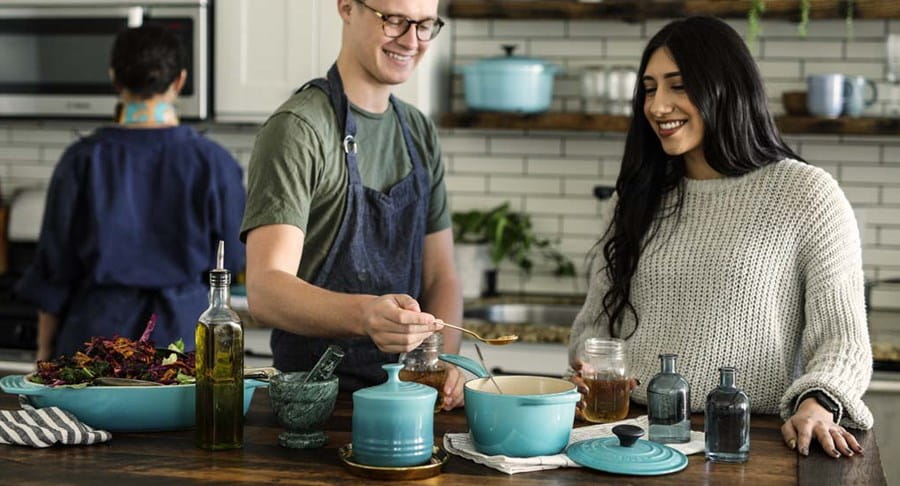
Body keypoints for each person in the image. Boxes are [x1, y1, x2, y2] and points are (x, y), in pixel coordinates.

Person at [567, 16, 872, 459]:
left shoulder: (806, 194)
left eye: (679, 85)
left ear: (726, 88)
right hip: (630, 438)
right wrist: (588, 367)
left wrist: (818, 404)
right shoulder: (637, 198)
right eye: (650, 89)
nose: (657, 106)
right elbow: (594, 326)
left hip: (747, 441)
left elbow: (843, 340)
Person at [240, 0, 464, 409]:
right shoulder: (299, 129)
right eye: (395, 21)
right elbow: (265, 288)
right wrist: (365, 316)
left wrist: (442, 360)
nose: (411, 41)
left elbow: (441, 277)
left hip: (410, 403)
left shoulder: (418, 131)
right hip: (315, 409)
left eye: (425, 25)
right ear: (346, 7)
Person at [15, 25, 245, 360]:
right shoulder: (215, 163)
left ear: (114, 79)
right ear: (179, 81)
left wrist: (45, 354)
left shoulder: (81, 160)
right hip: (183, 342)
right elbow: (233, 260)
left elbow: (54, 272)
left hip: (94, 343)